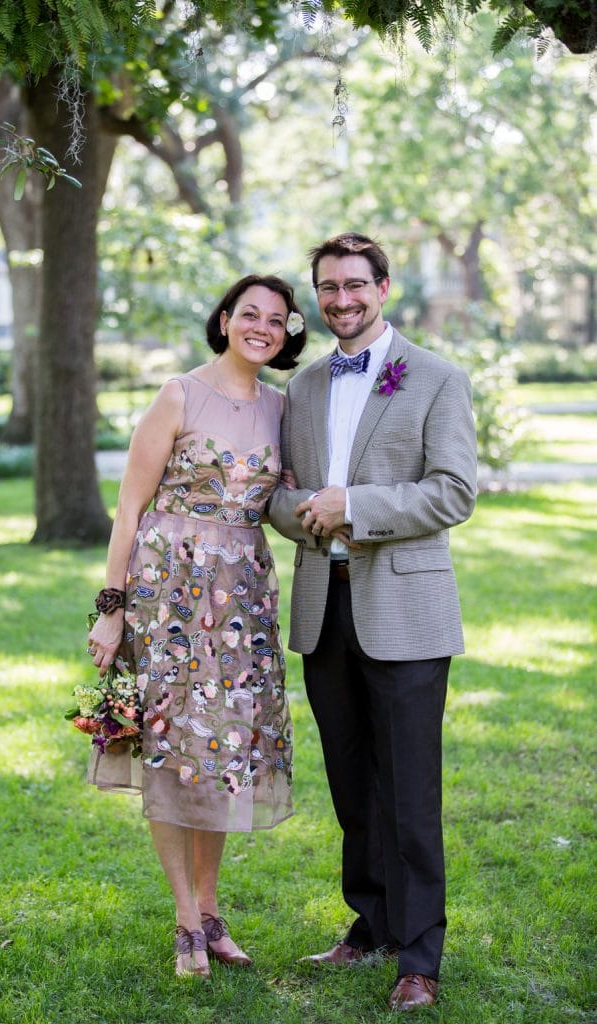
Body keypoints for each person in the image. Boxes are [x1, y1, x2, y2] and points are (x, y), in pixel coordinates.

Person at [268, 233, 477, 1011]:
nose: (341, 300)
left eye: (354, 285)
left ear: (382, 288)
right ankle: (372, 924)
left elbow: (453, 491)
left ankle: (418, 958)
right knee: (353, 786)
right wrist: (303, 511)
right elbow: (281, 498)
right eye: (327, 288)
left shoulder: (435, 378)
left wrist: (352, 507)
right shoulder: (306, 387)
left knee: (411, 793)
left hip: (407, 610)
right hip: (325, 608)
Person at [85, 274, 306, 978]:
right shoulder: (178, 393)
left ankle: (212, 914)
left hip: (241, 604)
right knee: (170, 751)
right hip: (166, 599)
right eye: (249, 314)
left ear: (287, 333)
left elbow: (290, 500)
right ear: (224, 319)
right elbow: (128, 510)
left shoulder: (283, 408)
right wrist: (111, 614)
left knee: (222, 755)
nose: (261, 327)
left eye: (276, 319)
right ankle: (184, 920)